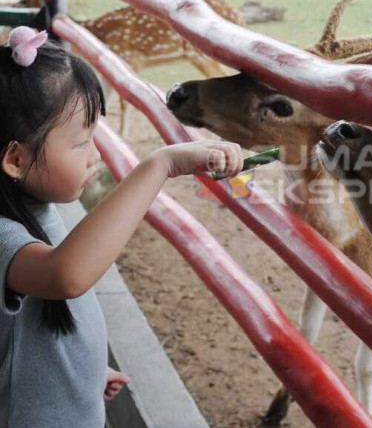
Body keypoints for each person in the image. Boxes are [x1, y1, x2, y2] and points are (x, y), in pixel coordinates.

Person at [0, 26, 243, 427]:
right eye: (81, 142)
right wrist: (159, 165)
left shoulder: (37, 207)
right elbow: (67, 275)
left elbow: (31, 332)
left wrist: (83, 374)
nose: (95, 153)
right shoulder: (5, 235)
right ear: (15, 159)